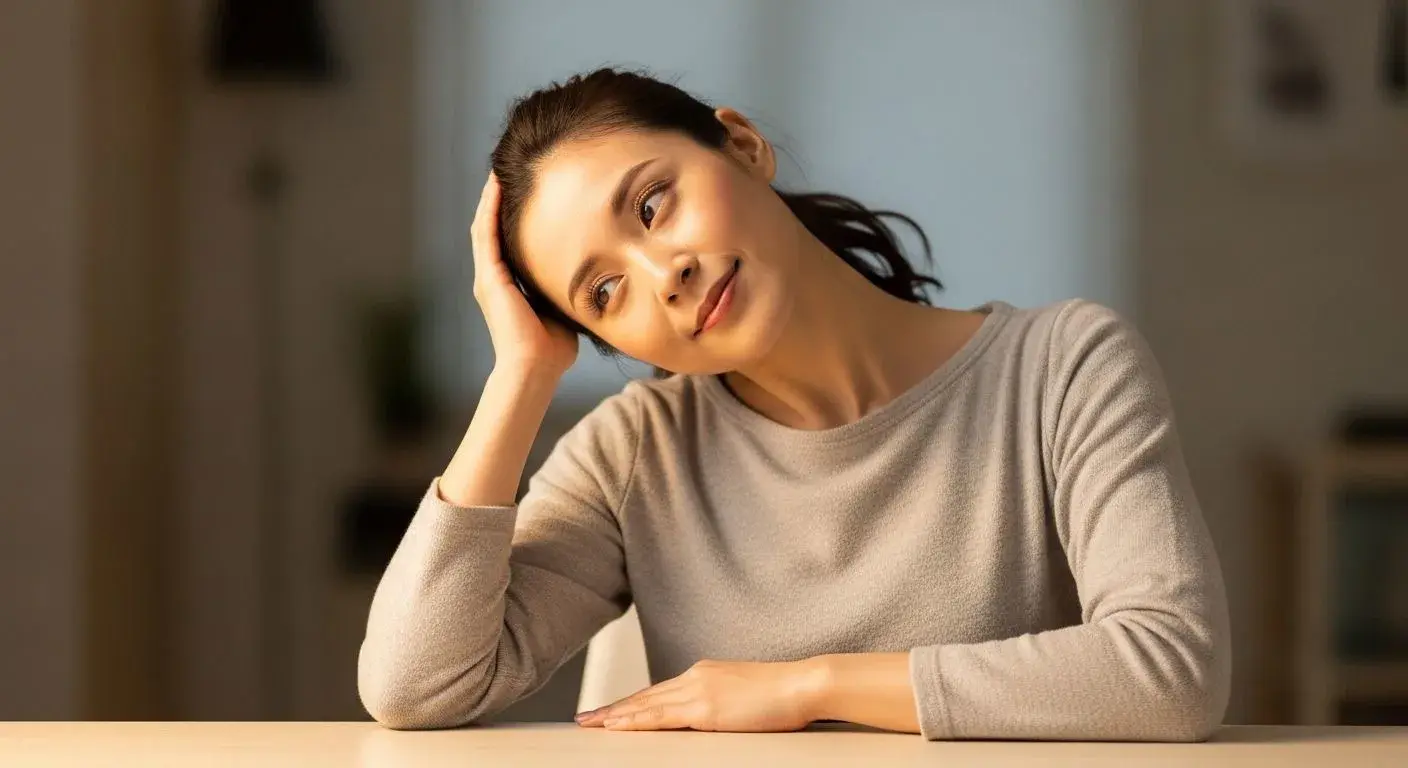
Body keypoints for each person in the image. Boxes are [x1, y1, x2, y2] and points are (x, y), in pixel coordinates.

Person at [357, 68, 1231, 741]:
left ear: (743, 147)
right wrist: (521, 372)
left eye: (654, 205)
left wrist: (804, 686)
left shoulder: (1063, 369)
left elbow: (1171, 666)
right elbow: (416, 685)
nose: (666, 276)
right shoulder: (635, 455)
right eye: (605, 293)